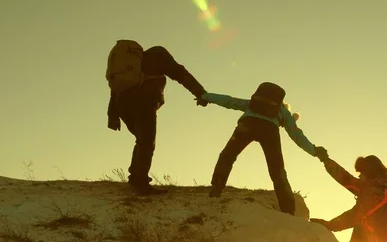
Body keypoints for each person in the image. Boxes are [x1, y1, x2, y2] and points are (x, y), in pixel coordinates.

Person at [196, 82, 322, 216]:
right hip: (269, 131)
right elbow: (297, 135)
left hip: (247, 124)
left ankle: (216, 189)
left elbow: (230, 101)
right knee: (277, 170)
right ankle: (288, 210)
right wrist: (314, 151)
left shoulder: (252, 104)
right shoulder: (283, 112)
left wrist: (206, 96)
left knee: (228, 156)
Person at [106, 41, 209, 195]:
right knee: (147, 141)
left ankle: (136, 177)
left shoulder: (132, 67)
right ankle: (140, 183)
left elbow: (115, 90)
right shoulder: (159, 55)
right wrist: (200, 93)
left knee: (142, 140)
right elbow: (181, 74)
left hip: (123, 106)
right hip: (144, 103)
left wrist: (112, 114)